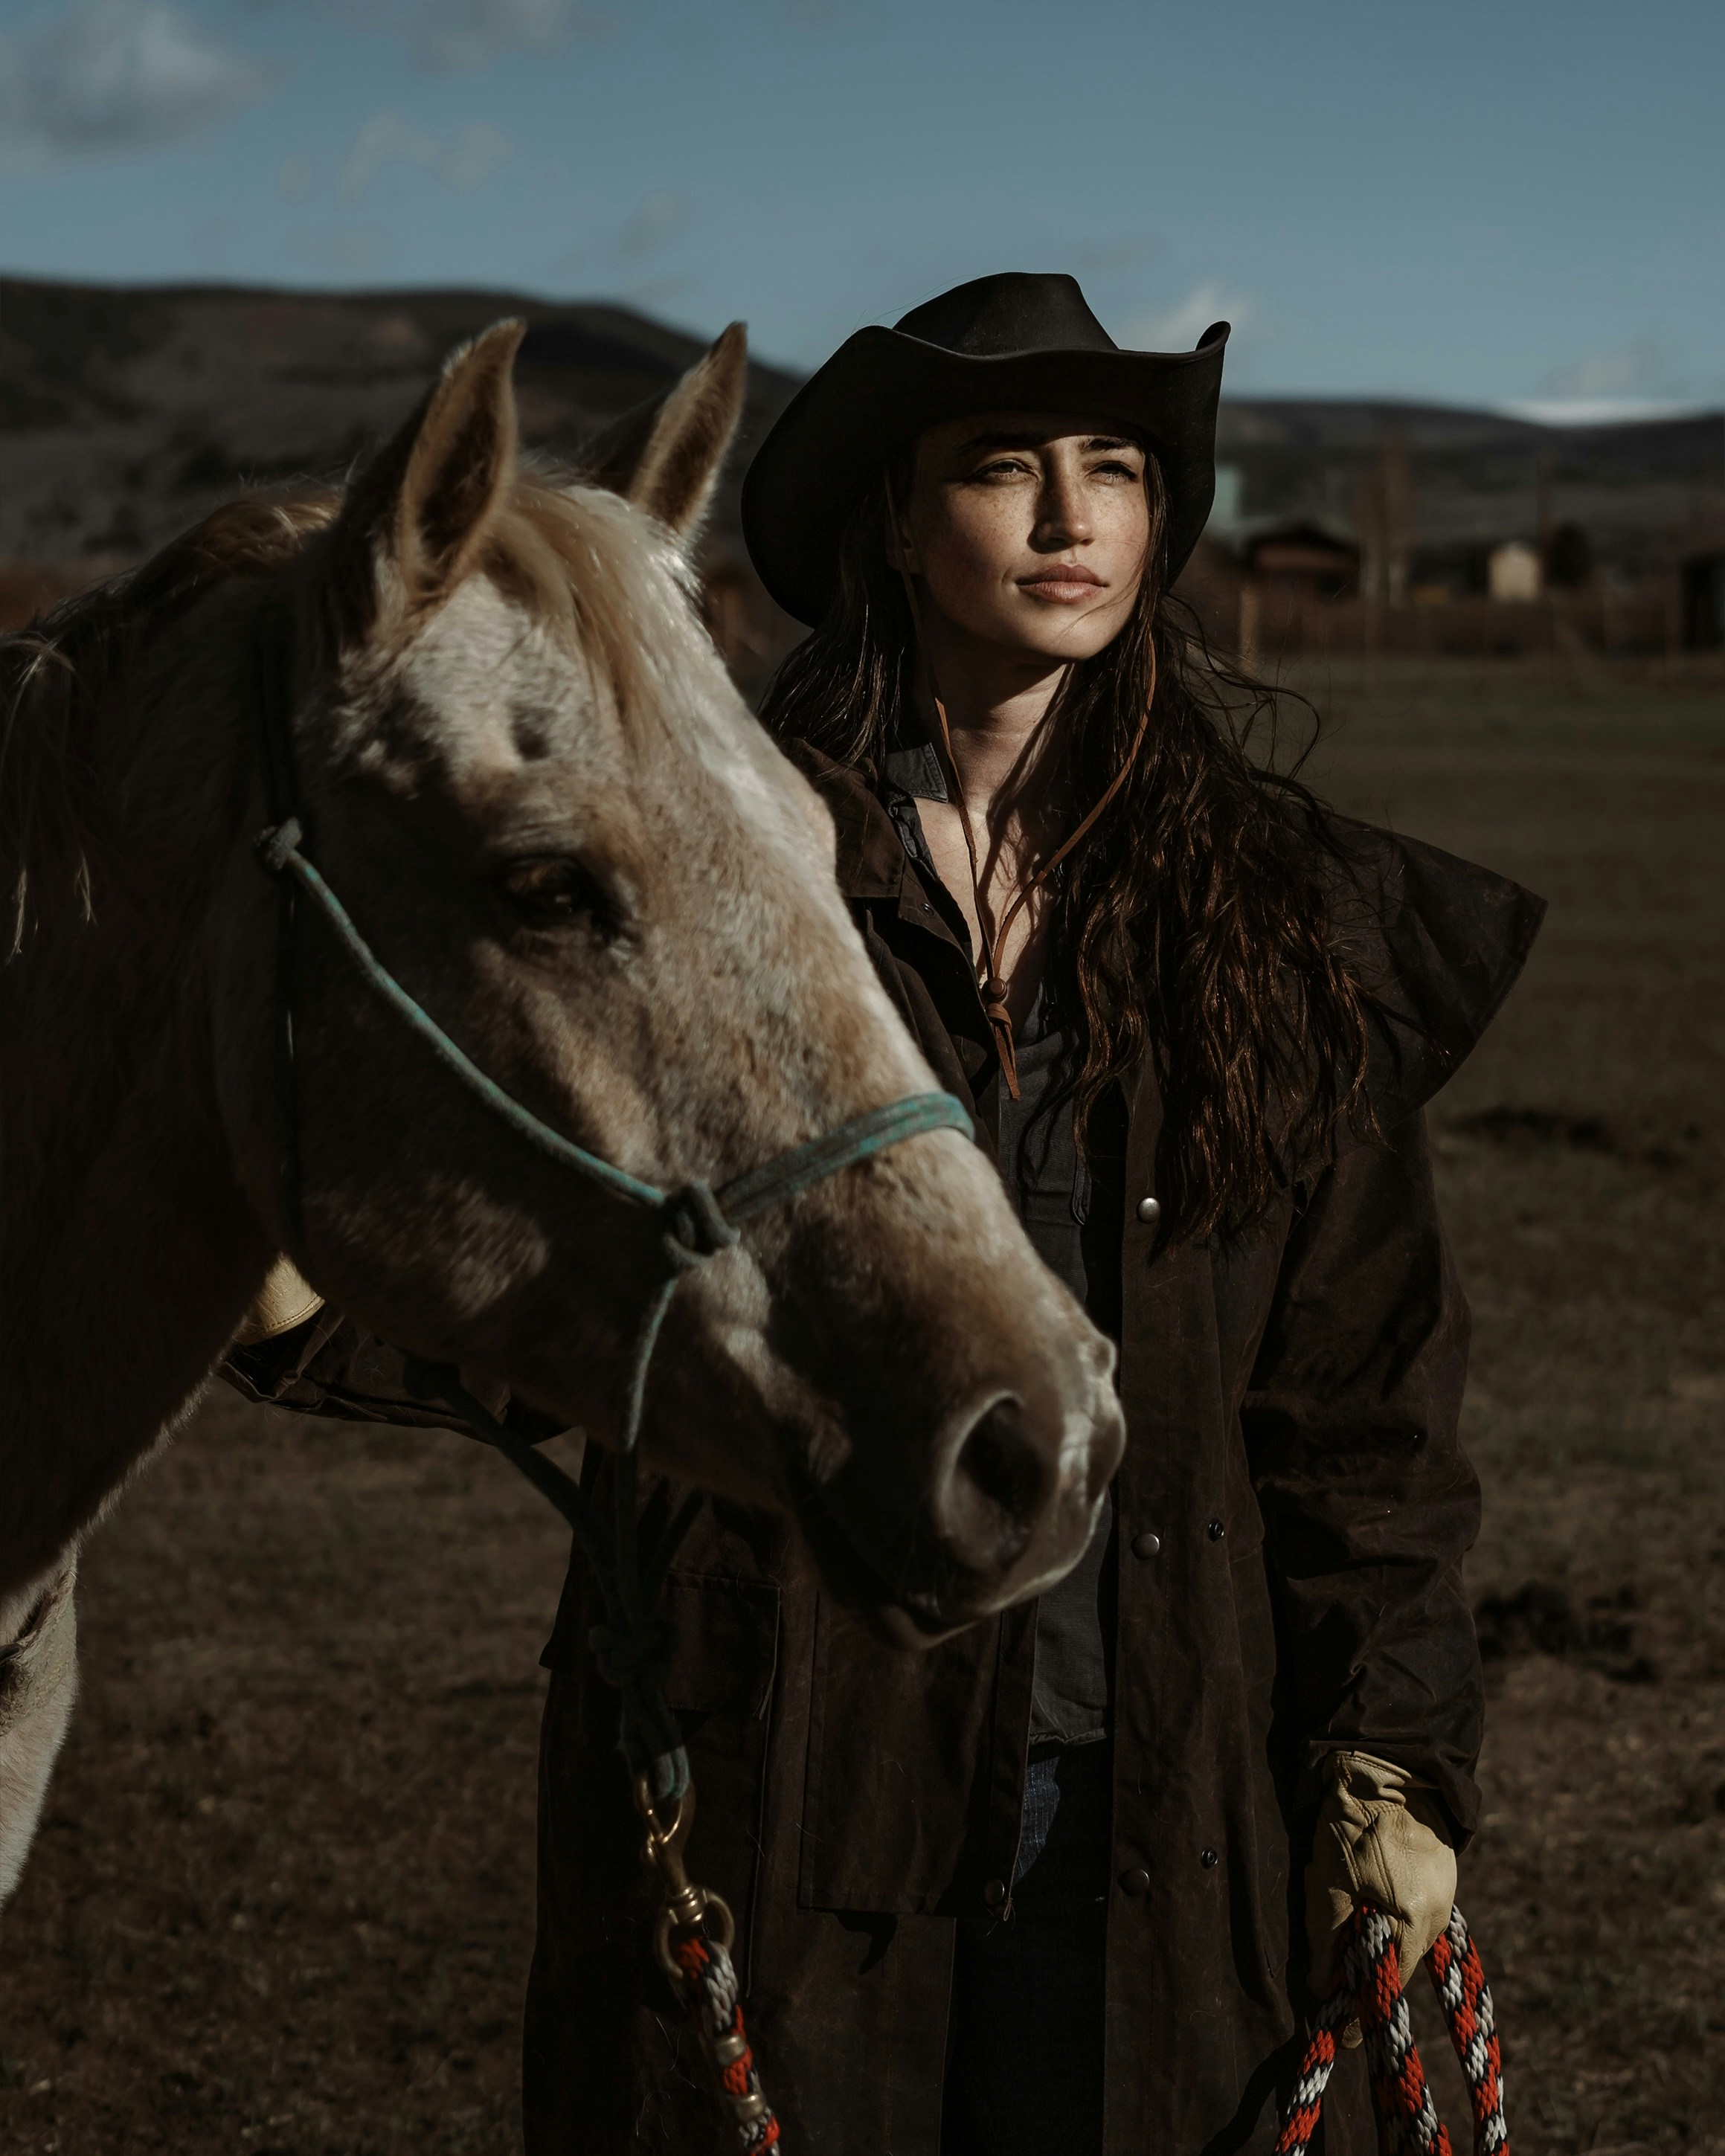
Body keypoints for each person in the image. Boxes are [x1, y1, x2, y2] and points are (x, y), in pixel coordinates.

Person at [229, 273, 1544, 2156]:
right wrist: (306, 1291)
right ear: (898, 528)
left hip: (1159, 1790)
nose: (1072, 516)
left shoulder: (1271, 921)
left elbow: (1362, 1399)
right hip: (777, 1773)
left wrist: (1385, 1756)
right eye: (1005, 467)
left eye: (1114, 470)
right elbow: (599, 1252)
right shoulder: (736, 862)